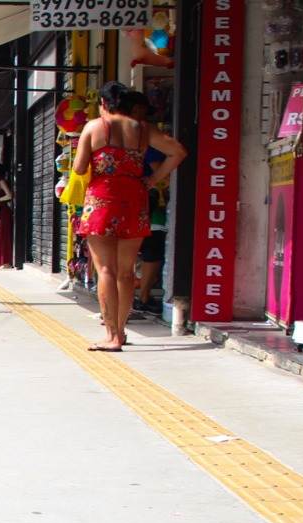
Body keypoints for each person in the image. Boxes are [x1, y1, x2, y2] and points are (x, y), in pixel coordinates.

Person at [71, 80, 186, 350]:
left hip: (102, 201)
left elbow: (78, 168)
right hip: (135, 200)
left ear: (103, 104)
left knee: (106, 270)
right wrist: (152, 179)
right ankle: (121, 332)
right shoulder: (143, 129)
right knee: (125, 272)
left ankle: (111, 335)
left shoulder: (94, 127)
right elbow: (178, 152)